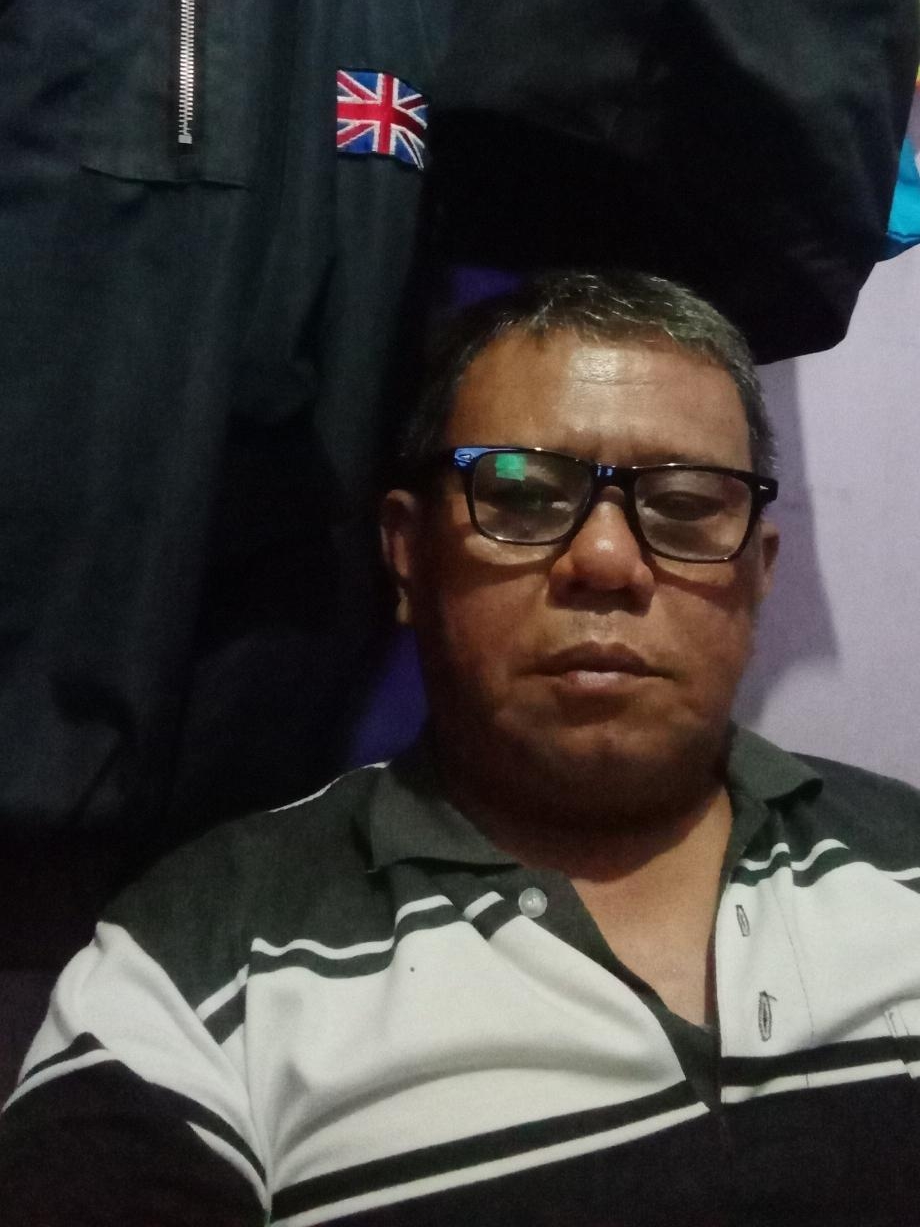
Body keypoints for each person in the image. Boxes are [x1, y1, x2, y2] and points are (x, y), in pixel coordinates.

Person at [2, 269, 920, 1227]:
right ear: (408, 555)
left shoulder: (907, 862)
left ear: (758, 571)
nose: (606, 560)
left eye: (686, 505)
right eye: (520, 495)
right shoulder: (199, 965)